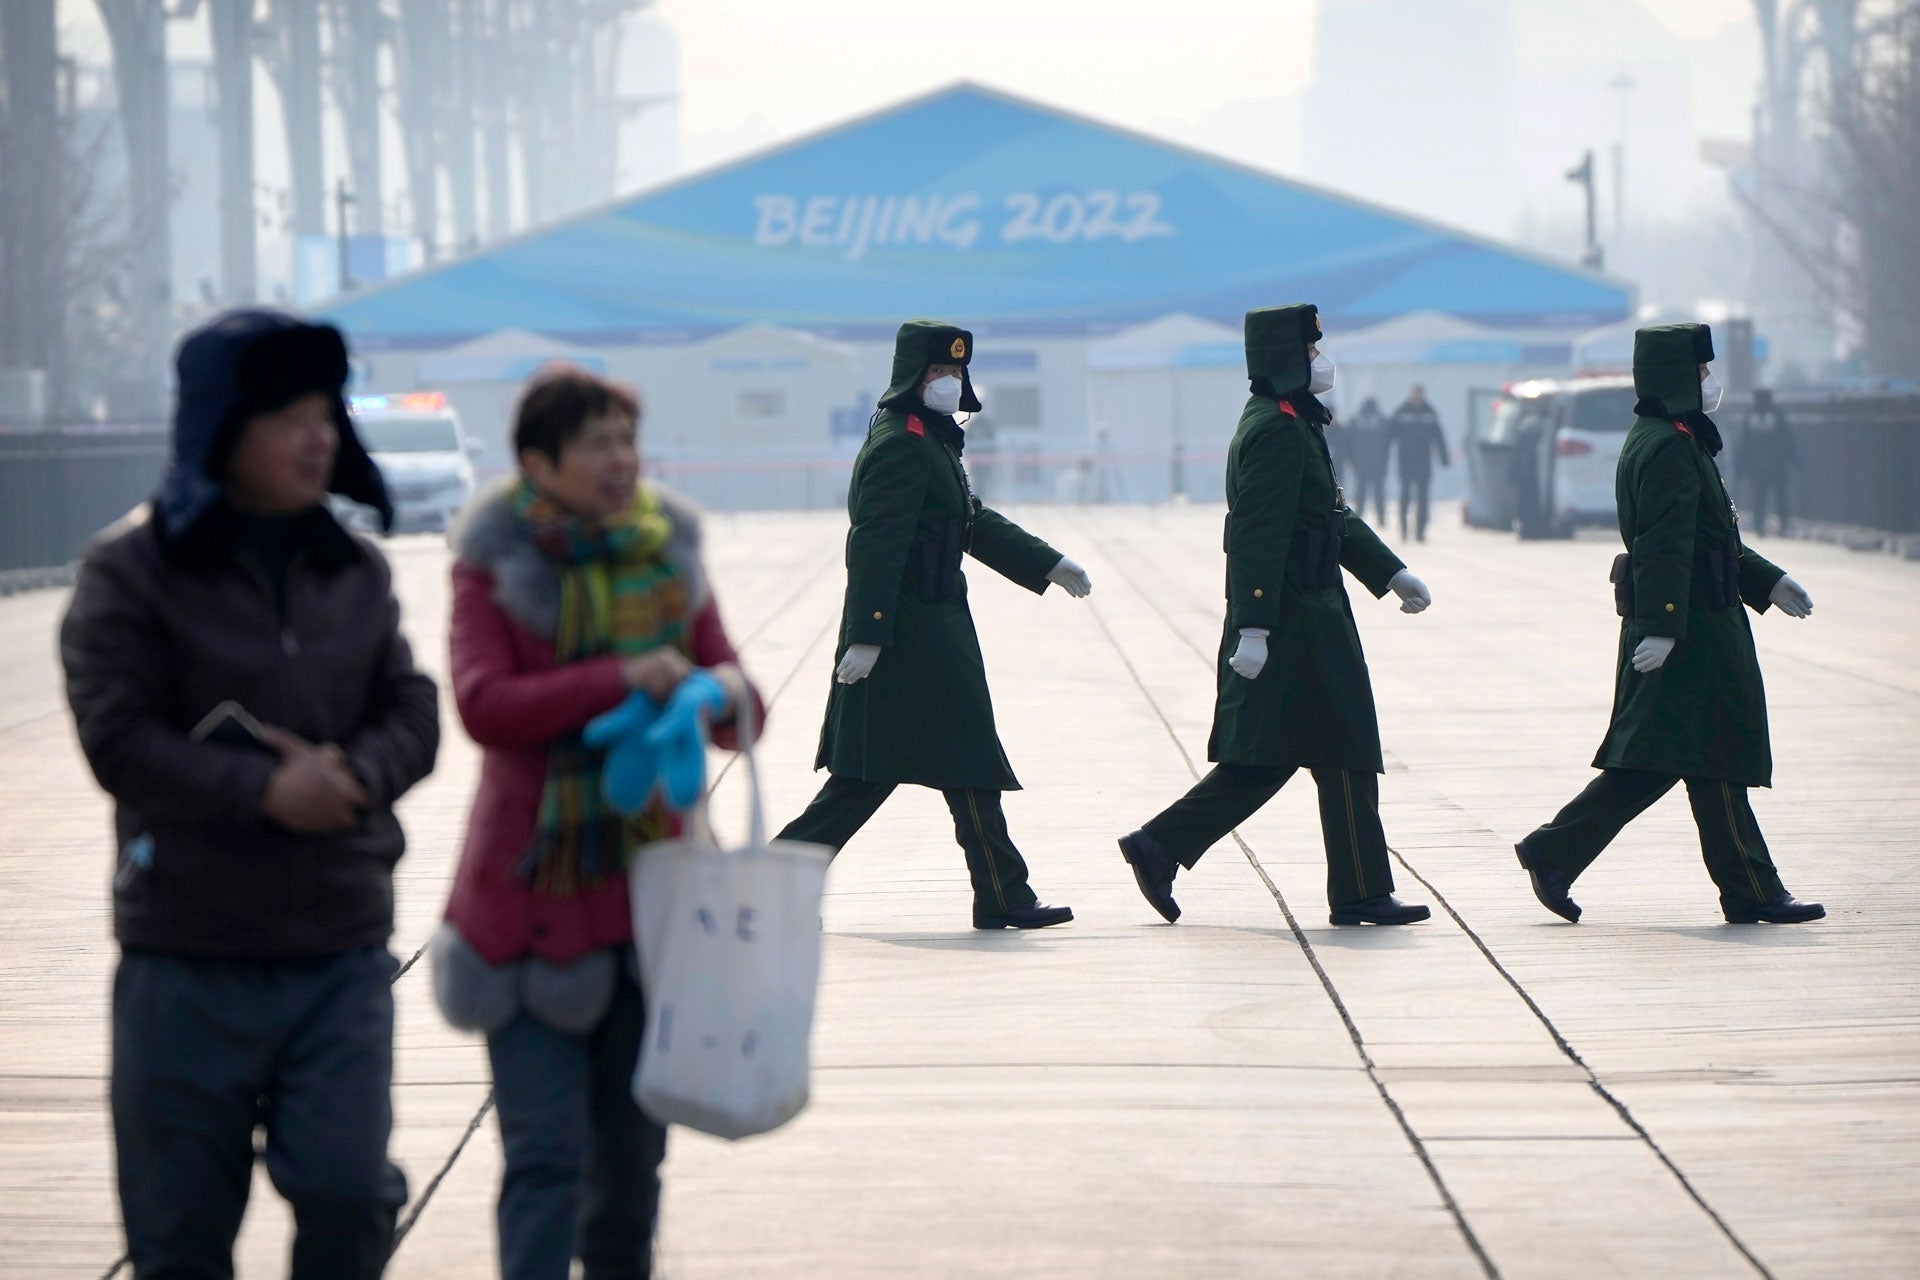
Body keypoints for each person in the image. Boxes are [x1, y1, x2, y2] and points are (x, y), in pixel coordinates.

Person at [60, 309, 441, 1278]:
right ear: (222, 426)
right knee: (180, 1236)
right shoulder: (128, 573)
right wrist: (265, 788)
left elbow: (412, 706)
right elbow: (118, 737)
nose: (318, 437)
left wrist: (353, 776)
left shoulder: (351, 569)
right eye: (287, 415)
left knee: (352, 1194)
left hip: (338, 950)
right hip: (187, 954)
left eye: (326, 413)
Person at [429, 364, 764, 1280]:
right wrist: (620, 679)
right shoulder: (494, 565)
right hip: (528, 911)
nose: (621, 460)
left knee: (631, 1169)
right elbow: (485, 704)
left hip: (652, 912)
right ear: (538, 463)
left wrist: (721, 690)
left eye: (627, 439)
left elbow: (743, 708)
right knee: (544, 1160)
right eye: (597, 443)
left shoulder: (670, 557)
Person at [1118, 304, 1436, 927]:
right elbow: (1258, 535)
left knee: (1299, 754)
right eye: (1313, 352)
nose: (1324, 361)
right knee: (1312, 751)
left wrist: (1389, 572)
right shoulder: (1276, 429)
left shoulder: (1294, 422)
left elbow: (1330, 516)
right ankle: (1354, 890)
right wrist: (1255, 626)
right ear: (1289, 359)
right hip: (1294, 620)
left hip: (1312, 610)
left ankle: (1166, 848)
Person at [778, 320, 1092, 930]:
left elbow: (968, 520)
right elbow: (876, 544)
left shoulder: (931, 440)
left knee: (956, 761)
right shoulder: (902, 441)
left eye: (955, 373)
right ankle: (774, 882)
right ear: (911, 377)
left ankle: (1003, 892)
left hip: (935, 625)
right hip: (907, 632)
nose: (949, 382)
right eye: (937, 373)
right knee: (877, 774)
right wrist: (868, 634)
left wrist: (1046, 561)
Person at [1514, 324, 1825, 926]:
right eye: (1702, 372)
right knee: (1708, 757)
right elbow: (1662, 545)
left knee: (1669, 761)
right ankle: (1750, 891)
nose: (1711, 383)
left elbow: (1713, 540)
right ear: (1680, 378)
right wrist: (1662, 627)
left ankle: (1556, 851)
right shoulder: (1669, 446)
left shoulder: (1670, 438)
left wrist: (1769, 581)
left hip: (1690, 622)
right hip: (1691, 630)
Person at [1389, 385, 1451, 541]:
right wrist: (1382, 456)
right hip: (1405, 461)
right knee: (1405, 497)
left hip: (1424, 462)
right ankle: (1404, 531)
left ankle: (1420, 532)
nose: (1416, 397)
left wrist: (1444, 458)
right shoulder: (1401, 411)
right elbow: (1389, 436)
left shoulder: (1429, 412)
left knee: (1423, 499)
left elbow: (1438, 436)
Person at [1741, 388, 1799, 536]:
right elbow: (1788, 440)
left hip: (1764, 465)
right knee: (1774, 497)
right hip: (1775, 464)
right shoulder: (1776, 415)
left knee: (1763, 497)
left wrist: (1741, 466)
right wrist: (1795, 461)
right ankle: (1776, 526)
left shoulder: (1751, 416)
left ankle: (1763, 526)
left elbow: (1744, 444)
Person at [1341, 395, 1392, 524]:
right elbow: (1387, 445)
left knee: (1364, 493)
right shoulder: (1382, 422)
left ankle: (1361, 517)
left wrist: (1352, 461)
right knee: (1373, 493)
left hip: (1363, 464)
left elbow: (1347, 445)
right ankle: (1379, 518)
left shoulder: (1355, 422)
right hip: (1372, 464)